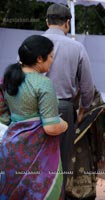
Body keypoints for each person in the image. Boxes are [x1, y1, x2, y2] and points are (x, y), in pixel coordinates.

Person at [0, 35, 68, 199]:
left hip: (11, 149)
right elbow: (51, 127)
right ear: (39, 58)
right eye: (51, 56)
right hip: (38, 153)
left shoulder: (7, 79)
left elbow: (3, 117)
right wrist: (64, 124)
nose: (52, 61)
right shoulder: (43, 83)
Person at [43, 3, 95, 196]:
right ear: (67, 23)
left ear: (46, 21)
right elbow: (88, 86)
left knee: (36, 160)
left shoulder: (31, 43)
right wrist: (83, 109)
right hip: (64, 109)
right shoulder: (76, 47)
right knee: (61, 162)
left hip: (36, 109)